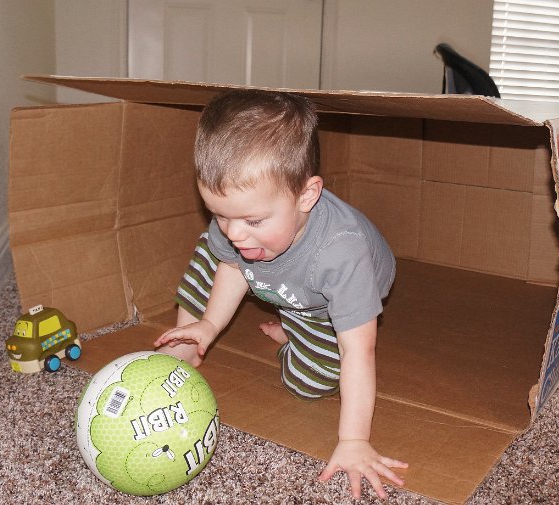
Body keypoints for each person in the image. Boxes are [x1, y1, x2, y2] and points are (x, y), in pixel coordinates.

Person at [153, 89, 408, 499]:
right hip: (278, 276)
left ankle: (295, 332)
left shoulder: (342, 254)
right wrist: (209, 325)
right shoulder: (238, 228)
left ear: (307, 196)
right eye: (219, 214)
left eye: (252, 219)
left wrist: (354, 440)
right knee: (213, 252)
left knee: (309, 383)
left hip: (322, 304)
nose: (235, 232)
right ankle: (188, 344)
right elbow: (233, 264)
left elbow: (359, 351)